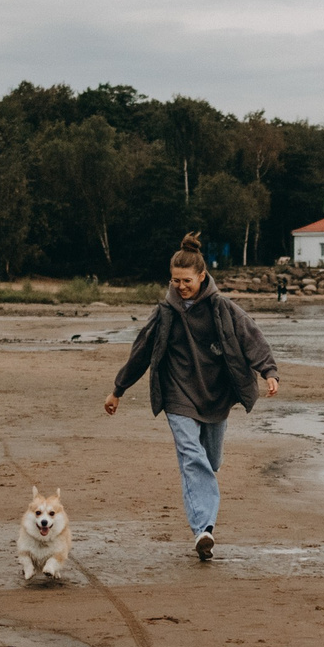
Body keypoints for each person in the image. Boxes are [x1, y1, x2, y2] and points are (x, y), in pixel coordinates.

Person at [105, 233, 280, 561]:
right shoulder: (164, 312)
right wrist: (118, 390)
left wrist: (268, 371)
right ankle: (204, 529)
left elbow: (251, 337)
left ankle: (203, 503)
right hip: (177, 394)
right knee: (191, 456)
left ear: (202, 276)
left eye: (187, 280)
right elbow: (141, 351)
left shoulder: (223, 308)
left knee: (210, 461)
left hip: (216, 394)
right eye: (175, 280)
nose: (181, 286)